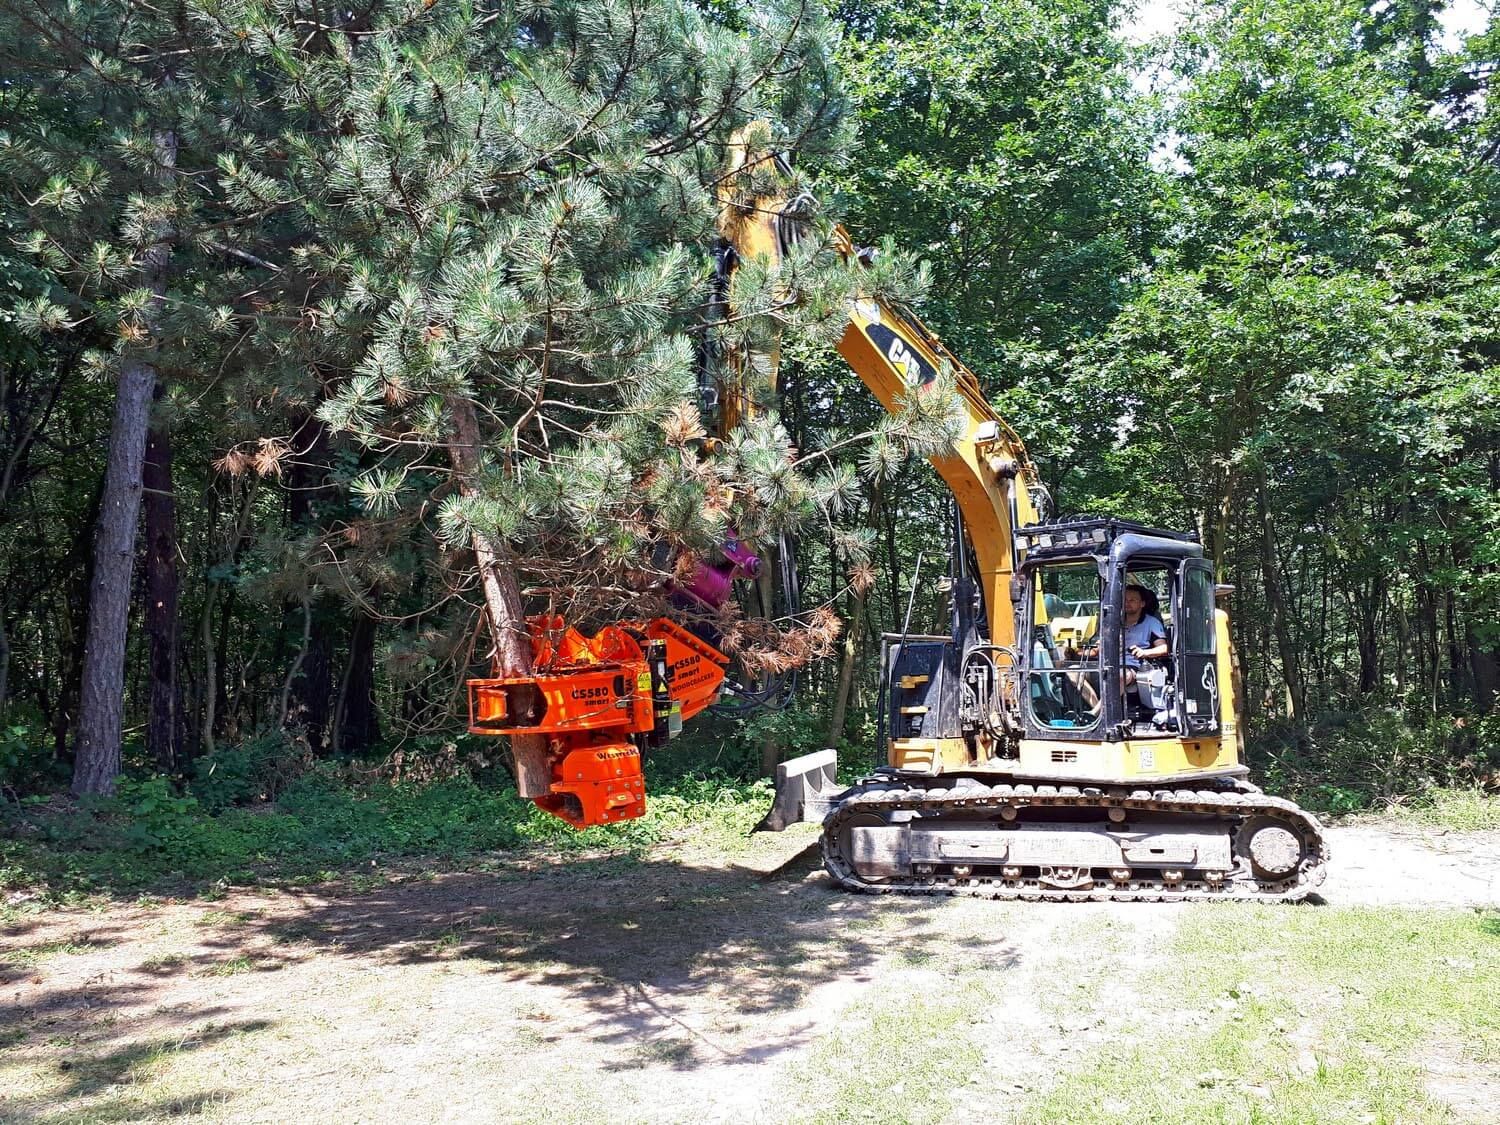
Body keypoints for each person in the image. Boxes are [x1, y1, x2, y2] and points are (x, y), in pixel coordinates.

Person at [1122, 584, 1168, 705]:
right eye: (1125, 600)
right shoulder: (1113, 622)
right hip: (1107, 665)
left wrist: (1145, 652)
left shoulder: (1152, 622)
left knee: (1119, 676)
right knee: (1075, 674)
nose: (1127, 603)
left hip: (1134, 666)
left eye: (1132, 600)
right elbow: (1096, 648)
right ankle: (1093, 710)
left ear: (1142, 603)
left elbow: (1163, 648)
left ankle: (1098, 712)